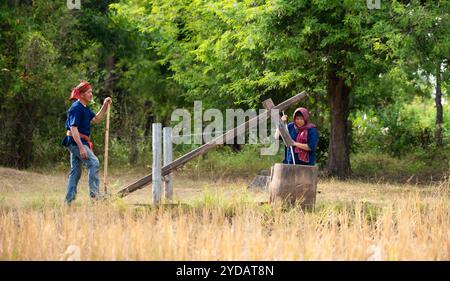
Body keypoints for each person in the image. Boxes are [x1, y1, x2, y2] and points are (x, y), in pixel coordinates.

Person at [61, 81, 112, 204]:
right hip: (75, 142)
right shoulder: (76, 108)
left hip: (79, 142)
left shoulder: (85, 108)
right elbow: (73, 129)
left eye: (91, 92)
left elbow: (96, 119)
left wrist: (105, 105)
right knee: (94, 162)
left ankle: (69, 201)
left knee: (76, 172)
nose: (91, 94)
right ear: (82, 94)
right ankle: (95, 197)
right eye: (89, 92)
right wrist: (82, 148)